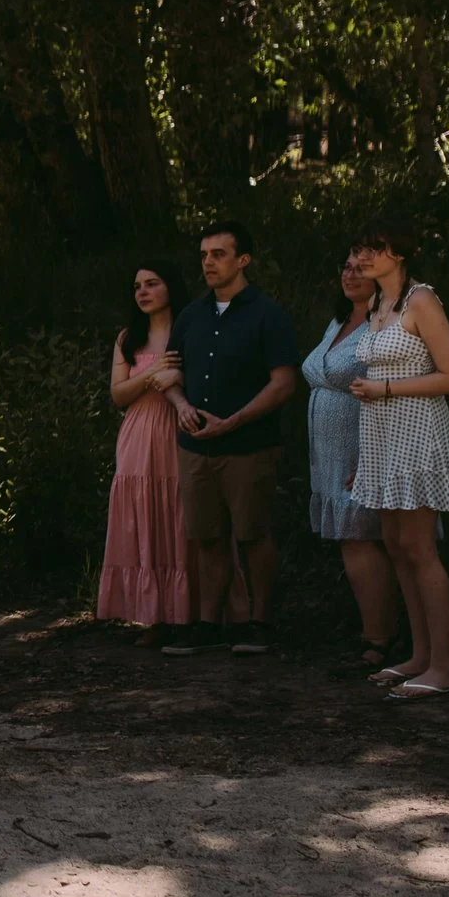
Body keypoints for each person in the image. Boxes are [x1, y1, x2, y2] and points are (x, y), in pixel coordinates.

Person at [161, 221, 299, 659]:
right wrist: (180, 404)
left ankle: (261, 622)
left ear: (243, 260)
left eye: (218, 254)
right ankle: (209, 624)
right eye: (203, 255)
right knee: (207, 537)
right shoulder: (190, 314)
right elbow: (169, 373)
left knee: (253, 534)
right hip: (196, 448)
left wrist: (234, 421)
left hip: (250, 447)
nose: (208, 262)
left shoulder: (268, 313)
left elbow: (283, 384)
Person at [348, 220, 449, 699]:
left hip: (417, 431)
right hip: (380, 437)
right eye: (360, 250)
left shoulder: (421, 300)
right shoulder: (377, 304)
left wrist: (386, 388)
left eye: (373, 249)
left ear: (397, 254)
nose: (362, 258)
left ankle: (445, 667)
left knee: (420, 549)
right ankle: (420, 656)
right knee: (396, 546)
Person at [303, 250, 405, 668]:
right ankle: (378, 631)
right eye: (344, 266)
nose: (349, 273)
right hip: (329, 453)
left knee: (363, 538)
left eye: (360, 267)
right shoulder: (340, 320)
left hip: (365, 447)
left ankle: (381, 640)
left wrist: (371, 456)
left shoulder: (386, 323)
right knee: (355, 540)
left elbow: (392, 387)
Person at [98, 262, 196, 645]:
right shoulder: (128, 338)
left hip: (179, 425)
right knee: (146, 515)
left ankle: (193, 612)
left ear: (171, 286)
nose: (142, 291)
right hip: (139, 430)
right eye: (137, 285)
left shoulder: (190, 330)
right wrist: (150, 375)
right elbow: (119, 394)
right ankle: (155, 615)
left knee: (181, 510)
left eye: (152, 283)